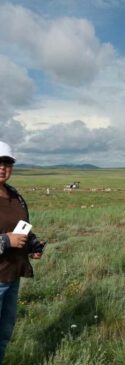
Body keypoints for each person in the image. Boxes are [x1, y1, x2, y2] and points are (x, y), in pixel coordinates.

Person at [0, 141, 45, 364]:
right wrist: (5, 240)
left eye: (7, 162)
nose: (2, 167)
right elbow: (9, 236)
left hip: (12, 275)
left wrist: (31, 245)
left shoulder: (14, 195)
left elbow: (22, 228)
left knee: (3, 336)